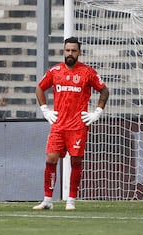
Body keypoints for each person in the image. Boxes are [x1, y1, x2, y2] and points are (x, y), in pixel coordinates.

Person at [33, 37, 109, 210]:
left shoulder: (87, 72)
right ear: (63, 51)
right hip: (58, 125)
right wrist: (45, 109)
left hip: (77, 126)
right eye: (67, 50)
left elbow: (104, 90)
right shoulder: (55, 71)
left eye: (73, 51)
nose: (70, 53)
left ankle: (71, 200)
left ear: (79, 52)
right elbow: (39, 88)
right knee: (51, 158)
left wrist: (97, 112)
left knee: (76, 160)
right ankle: (47, 200)